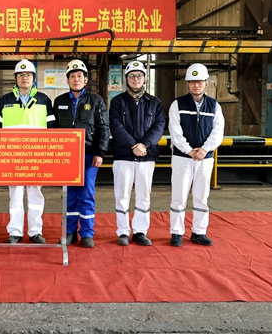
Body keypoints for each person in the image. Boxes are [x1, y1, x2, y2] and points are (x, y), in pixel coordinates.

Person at [0, 59, 56, 244]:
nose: (24, 78)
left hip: (37, 156)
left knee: (36, 194)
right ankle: (15, 231)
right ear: (15, 78)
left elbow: (52, 129)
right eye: (21, 75)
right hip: (12, 157)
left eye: (28, 75)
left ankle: (35, 231)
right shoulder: (4, 101)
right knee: (15, 195)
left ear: (33, 78)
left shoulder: (44, 100)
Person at [53, 59, 109, 248]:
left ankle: (86, 233)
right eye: (72, 76)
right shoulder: (59, 101)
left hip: (88, 155)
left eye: (79, 76)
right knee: (68, 195)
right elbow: (53, 129)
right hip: (66, 157)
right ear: (67, 80)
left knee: (86, 195)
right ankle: (69, 232)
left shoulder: (96, 101)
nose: (76, 79)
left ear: (86, 80)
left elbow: (103, 127)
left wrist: (100, 152)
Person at [109, 61, 165, 246]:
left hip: (146, 157)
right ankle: (123, 232)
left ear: (145, 79)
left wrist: (145, 145)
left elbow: (158, 127)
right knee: (122, 196)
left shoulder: (155, 103)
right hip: (124, 156)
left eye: (139, 75)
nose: (135, 79)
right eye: (132, 76)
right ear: (126, 79)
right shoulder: (117, 102)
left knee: (143, 195)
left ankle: (140, 231)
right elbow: (116, 127)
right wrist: (134, 145)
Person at [168, 63, 224, 247]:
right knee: (179, 196)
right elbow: (175, 131)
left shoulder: (214, 106)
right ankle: (177, 232)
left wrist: (204, 149)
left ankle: (199, 232)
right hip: (182, 158)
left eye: (199, 81)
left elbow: (218, 132)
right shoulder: (177, 104)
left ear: (207, 83)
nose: (196, 85)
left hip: (205, 159)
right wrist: (189, 150)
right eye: (192, 82)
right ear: (187, 84)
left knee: (201, 197)